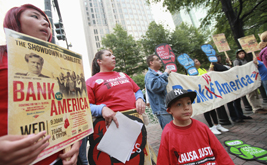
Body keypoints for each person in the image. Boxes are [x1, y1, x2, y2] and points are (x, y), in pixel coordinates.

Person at [0, 4, 80, 165]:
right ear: (14, 22)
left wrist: (75, 140)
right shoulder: (2, 56)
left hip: (60, 158)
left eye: (47, 21)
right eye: (34, 17)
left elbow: (71, 110)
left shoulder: (60, 66)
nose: (45, 23)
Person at [85, 49, 146, 164]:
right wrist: (102, 108)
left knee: (138, 159)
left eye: (113, 54)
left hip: (135, 124)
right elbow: (86, 106)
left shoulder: (123, 75)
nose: (113, 57)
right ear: (99, 61)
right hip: (111, 127)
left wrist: (139, 99)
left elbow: (137, 90)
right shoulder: (90, 81)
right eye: (108, 55)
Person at [157, 88, 234, 165]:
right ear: (169, 110)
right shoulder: (168, 133)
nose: (186, 107)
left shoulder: (202, 127)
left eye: (188, 103)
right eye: (179, 104)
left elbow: (219, 152)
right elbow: (164, 160)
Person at [193, 58, 229, 134]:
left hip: (208, 92)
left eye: (198, 60)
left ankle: (217, 124)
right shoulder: (192, 72)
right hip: (201, 93)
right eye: (196, 61)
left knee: (213, 108)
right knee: (206, 110)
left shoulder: (202, 69)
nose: (198, 62)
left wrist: (210, 71)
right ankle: (211, 126)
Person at [233, 49, 267, 114]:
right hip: (245, 80)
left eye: (243, 53)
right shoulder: (237, 61)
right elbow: (237, 70)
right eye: (240, 54)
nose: (242, 54)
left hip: (251, 78)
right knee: (250, 94)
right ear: (237, 55)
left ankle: (259, 106)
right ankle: (256, 108)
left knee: (255, 93)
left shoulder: (247, 60)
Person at [145, 54, 172, 129]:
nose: (160, 61)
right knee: (169, 130)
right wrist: (166, 74)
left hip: (168, 106)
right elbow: (156, 87)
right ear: (151, 63)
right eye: (157, 59)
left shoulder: (159, 73)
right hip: (162, 109)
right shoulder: (150, 75)